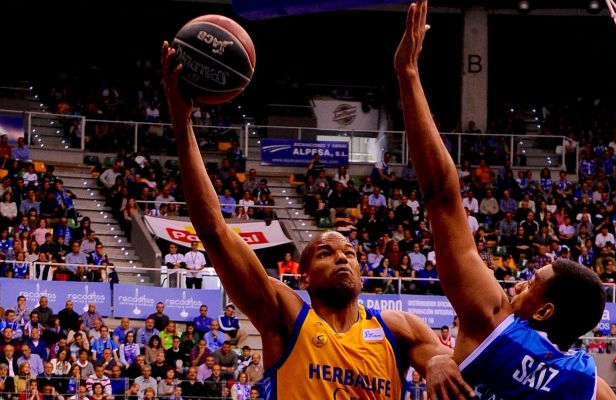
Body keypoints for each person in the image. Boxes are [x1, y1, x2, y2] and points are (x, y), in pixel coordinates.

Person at [162, 40, 469, 400]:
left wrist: (439, 361)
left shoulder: (399, 328)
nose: (342, 257)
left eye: (349, 253)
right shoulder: (284, 314)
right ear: (303, 277)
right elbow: (213, 229)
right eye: (326, 253)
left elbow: (458, 367)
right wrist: (182, 123)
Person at [393, 3, 614, 399]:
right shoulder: (590, 387)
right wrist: (436, 358)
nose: (518, 283)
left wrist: (408, 74)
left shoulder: (493, 321)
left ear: (543, 311)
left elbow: (442, 195)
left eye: (533, 282)